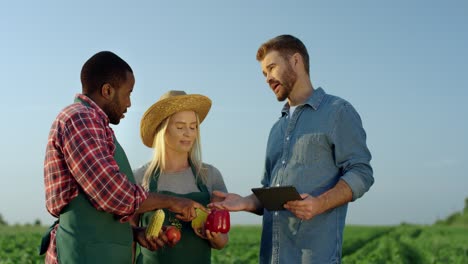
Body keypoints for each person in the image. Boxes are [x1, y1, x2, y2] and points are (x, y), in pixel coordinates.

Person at [210, 35, 374, 263]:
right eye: (264, 73)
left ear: (296, 61)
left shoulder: (338, 112)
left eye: (272, 67)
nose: (267, 78)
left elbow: (362, 172)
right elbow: (271, 191)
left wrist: (320, 204)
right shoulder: (276, 129)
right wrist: (246, 202)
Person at [41, 51, 205, 264]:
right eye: (128, 93)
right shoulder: (81, 119)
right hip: (83, 253)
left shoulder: (97, 125)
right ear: (108, 91)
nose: (129, 103)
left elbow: (99, 208)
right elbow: (111, 193)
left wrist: (134, 233)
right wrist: (173, 202)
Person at [132, 90, 229, 263]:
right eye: (180, 127)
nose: (189, 133)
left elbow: (222, 241)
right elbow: (128, 234)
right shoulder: (139, 177)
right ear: (162, 129)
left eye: (193, 127)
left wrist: (212, 234)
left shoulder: (210, 176)